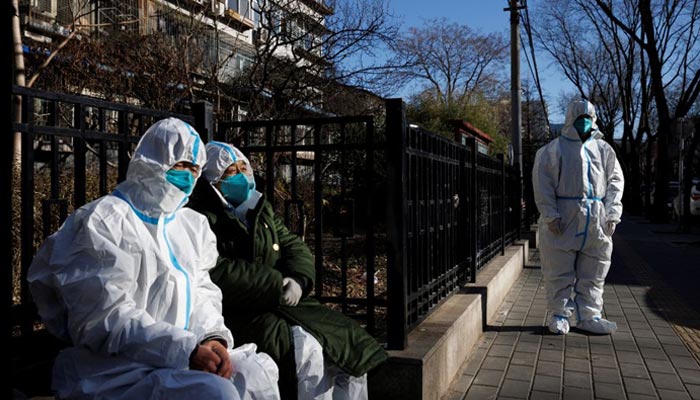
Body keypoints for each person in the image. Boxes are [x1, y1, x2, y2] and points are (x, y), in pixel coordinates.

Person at [27, 118, 280, 400]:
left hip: (184, 355)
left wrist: (212, 337)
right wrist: (185, 351)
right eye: (181, 165)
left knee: (256, 372)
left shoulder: (190, 225)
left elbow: (202, 292)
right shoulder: (105, 221)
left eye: (195, 169)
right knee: (214, 392)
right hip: (115, 369)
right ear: (153, 160)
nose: (190, 175)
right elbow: (105, 317)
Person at [187, 141, 389, 400]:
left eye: (243, 168)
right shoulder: (201, 218)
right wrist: (273, 284)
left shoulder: (258, 208)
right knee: (306, 352)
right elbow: (216, 269)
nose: (242, 177)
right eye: (230, 172)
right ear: (213, 180)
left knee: (348, 350)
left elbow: (292, 244)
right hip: (243, 311)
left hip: (283, 304)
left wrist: (298, 278)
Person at [532, 99, 624, 335]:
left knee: (595, 269)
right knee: (558, 270)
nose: (584, 122)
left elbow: (615, 182)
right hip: (563, 219)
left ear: (594, 120)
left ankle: (589, 315)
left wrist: (613, 212)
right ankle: (559, 314)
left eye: (588, 118)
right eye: (579, 118)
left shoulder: (604, 150)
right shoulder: (554, 149)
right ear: (570, 119)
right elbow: (542, 184)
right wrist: (550, 215)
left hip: (596, 220)